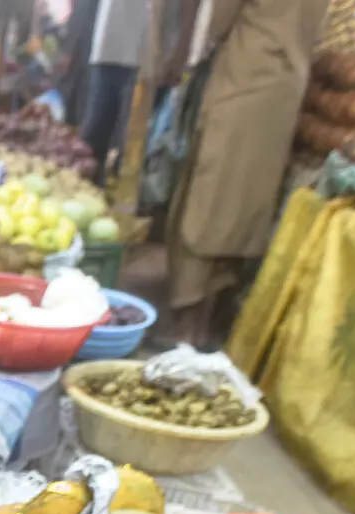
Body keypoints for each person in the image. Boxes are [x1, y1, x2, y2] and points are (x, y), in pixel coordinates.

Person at [165, 0, 326, 346]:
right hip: (286, 84)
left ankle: (188, 323)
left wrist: (184, 54)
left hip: (245, 72)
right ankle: (208, 319)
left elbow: (215, 21)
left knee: (212, 195)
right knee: (245, 200)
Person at [77, 0, 151, 175]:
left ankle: (110, 196)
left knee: (127, 145)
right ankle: (83, 191)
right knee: (92, 138)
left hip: (141, 60)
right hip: (106, 51)